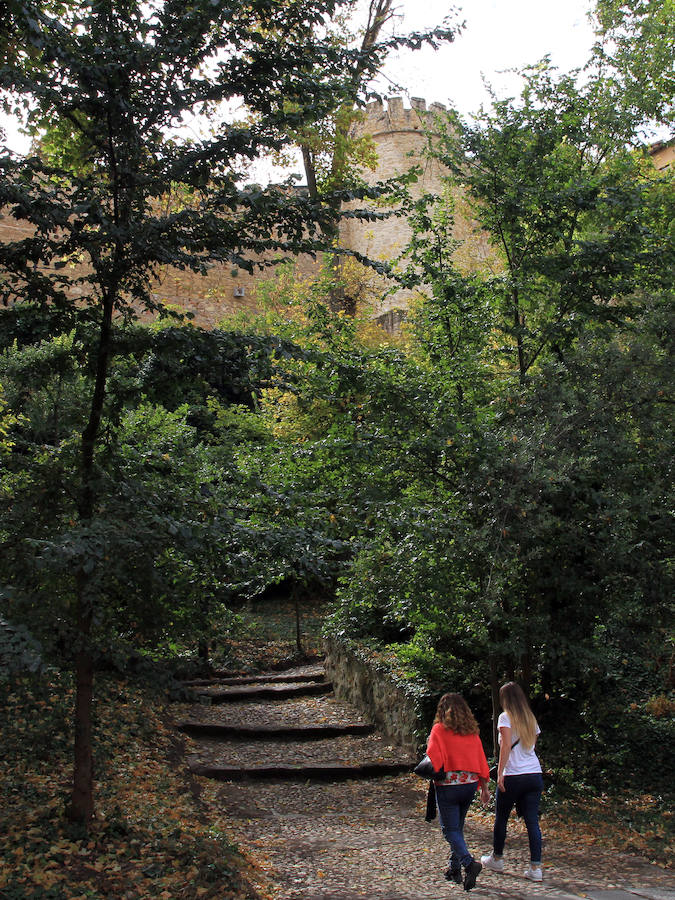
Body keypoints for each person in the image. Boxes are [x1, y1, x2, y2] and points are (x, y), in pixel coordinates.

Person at [425, 692, 490, 892]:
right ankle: (454, 869)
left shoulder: (438, 730)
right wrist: (485, 787)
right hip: (469, 784)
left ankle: (469, 864)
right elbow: (480, 759)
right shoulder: (471, 732)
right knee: (458, 828)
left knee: (449, 830)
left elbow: (433, 758)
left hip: (448, 786)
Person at [481, 681, 544, 882]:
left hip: (514, 775)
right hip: (534, 773)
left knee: (501, 818)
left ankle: (497, 858)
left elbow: (506, 746)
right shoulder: (530, 718)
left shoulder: (505, 717)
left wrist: (500, 773)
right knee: (532, 821)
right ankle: (536, 868)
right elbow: (531, 746)